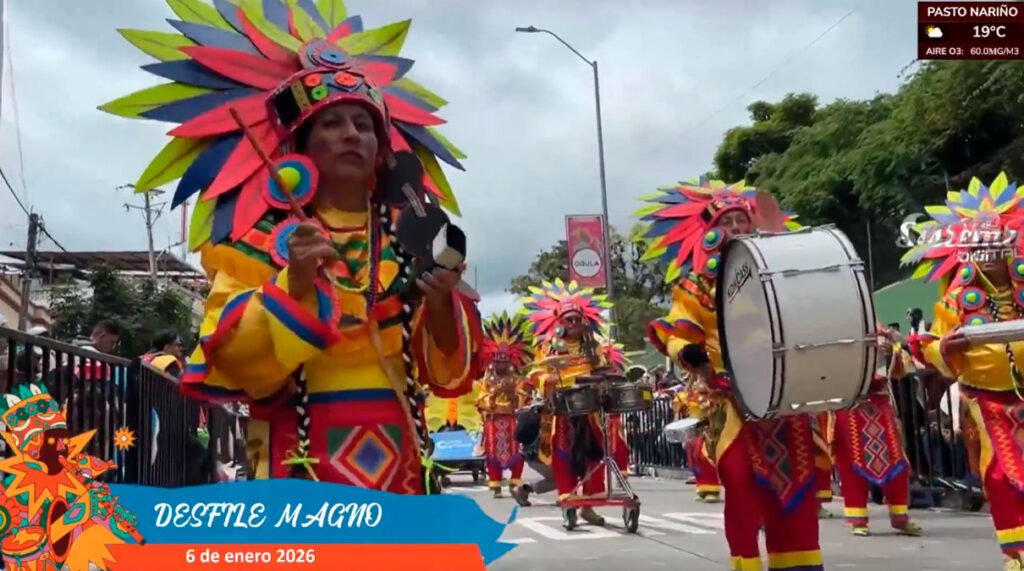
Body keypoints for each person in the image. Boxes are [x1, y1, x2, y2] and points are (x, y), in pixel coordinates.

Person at [107, 3, 483, 492]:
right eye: (332, 123)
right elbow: (239, 362)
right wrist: (295, 282)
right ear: (301, 145)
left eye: (363, 124)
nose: (351, 133)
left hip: (403, 458)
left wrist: (437, 301)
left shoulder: (408, 236)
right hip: (299, 450)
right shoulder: (259, 239)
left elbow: (448, 377)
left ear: (382, 146)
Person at [640, 177, 823, 571]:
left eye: (742, 220)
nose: (737, 227)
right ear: (709, 234)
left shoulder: (783, 275)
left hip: (783, 391)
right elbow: (678, 329)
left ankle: (799, 562)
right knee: (741, 480)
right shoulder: (694, 286)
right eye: (727, 222)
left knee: (798, 484)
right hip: (728, 392)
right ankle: (747, 563)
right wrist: (686, 351)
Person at [906, 172, 1024, 570]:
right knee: (1001, 475)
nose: (989, 254)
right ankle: (1016, 553)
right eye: (979, 247)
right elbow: (933, 348)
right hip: (988, 399)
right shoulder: (956, 300)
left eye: (996, 244)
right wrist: (945, 348)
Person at [520, 279, 628, 527]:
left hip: (590, 409)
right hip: (561, 410)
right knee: (563, 456)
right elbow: (534, 374)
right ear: (560, 322)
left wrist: (604, 378)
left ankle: (588, 506)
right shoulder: (549, 347)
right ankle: (568, 500)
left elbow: (603, 370)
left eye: (577, 319)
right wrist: (551, 382)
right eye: (568, 319)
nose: (573, 324)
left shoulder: (594, 347)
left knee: (594, 455)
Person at [830, 325, 921, 537]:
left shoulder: (880, 330)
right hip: (850, 405)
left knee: (896, 463)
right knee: (852, 464)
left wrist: (892, 347)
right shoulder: (833, 331)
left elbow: (901, 360)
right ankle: (858, 518)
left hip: (880, 405)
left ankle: (900, 516)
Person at [475, 312, 532, 497]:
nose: (500, 362)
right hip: (493, 421)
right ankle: (496, 485)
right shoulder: (487, 380)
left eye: (504, 359)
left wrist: (512, 394)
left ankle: (515, 482)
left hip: (512, 420)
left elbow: (524, 400)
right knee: (492, 453)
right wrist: (492, 394)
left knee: (518, 452)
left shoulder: (516, 380)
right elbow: (480, 400)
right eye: (497, 359)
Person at [671, 371, 721, 502]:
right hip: (693, 425)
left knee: (705, 456)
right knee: (694, 457)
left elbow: (712, 402)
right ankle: (702, 487)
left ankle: (712, 489)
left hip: (706, 424)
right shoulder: (690, 386)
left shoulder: (708, 383)